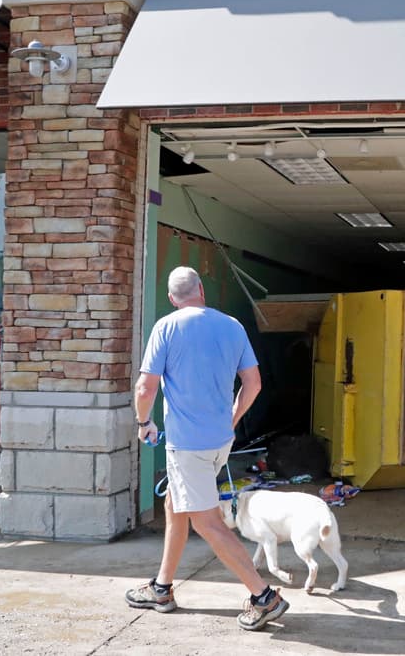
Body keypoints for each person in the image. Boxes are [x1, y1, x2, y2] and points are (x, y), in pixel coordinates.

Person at [124, 266, 288, 631]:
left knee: (207, 522)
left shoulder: (166, 327)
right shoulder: (232, 325)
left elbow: (145, 388)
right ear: (201, 290)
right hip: (219, 442)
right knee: (175, 505)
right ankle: (162, 588)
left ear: (172, 299)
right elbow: (253, 384)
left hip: (188, 446)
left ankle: (264, 597)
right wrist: (232, 419)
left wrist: (144, 422)